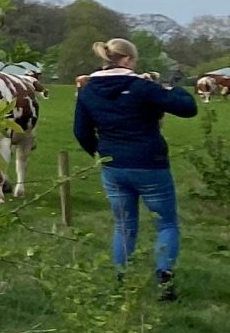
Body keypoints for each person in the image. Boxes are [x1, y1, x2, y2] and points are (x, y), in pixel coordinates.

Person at [73, 36, 198, 300]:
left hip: (113, 166)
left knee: (124, 225)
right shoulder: (141, 87)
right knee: (166, 223)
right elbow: (187, 109)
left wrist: (101, 152)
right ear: (128, 59)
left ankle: (122, 281)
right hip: (149, 163)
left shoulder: (88, 90)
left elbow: (81, 131)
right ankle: (164, 281)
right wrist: (173, 88)